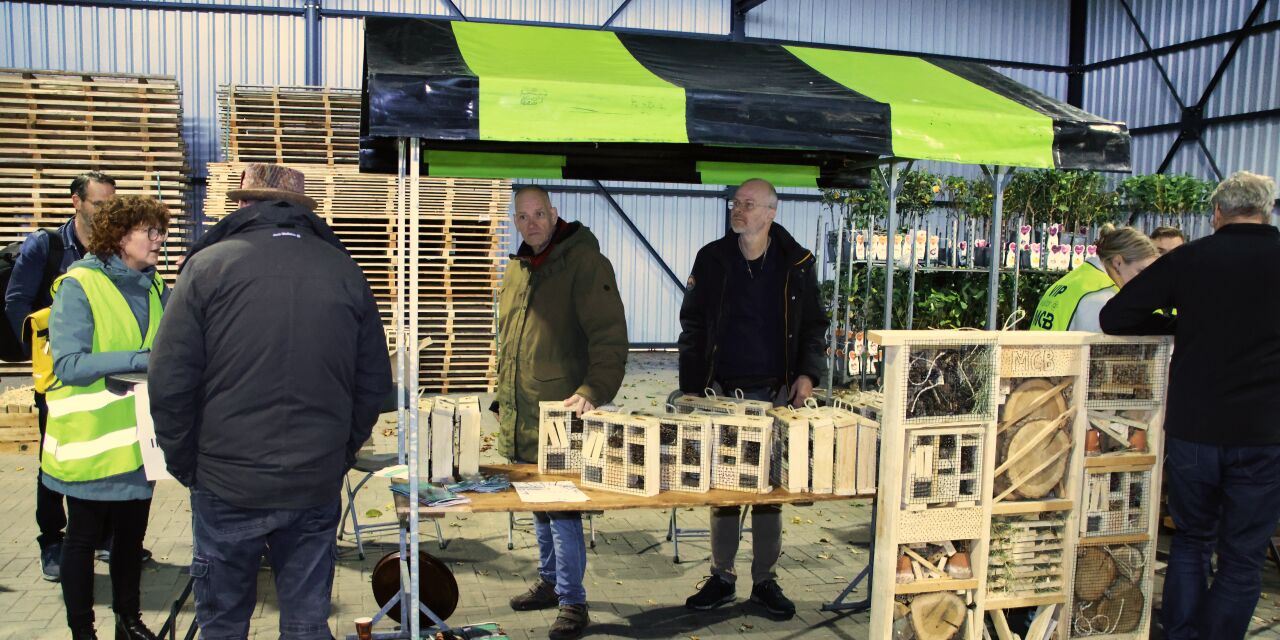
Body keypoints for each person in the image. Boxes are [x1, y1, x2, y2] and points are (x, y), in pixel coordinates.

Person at [149, 164, 392, 639]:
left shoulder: (207, 267)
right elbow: (372, 385)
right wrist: (339, 454)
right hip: (313, 482)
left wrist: (188, 464)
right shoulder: (344, 270)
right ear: (302, 212)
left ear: (242, 205)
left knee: (223, 623)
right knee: (306, 624)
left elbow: (170, 380)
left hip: (226, 480)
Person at [1100, 170, 1280, 640]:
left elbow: (1116, 315)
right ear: (1268, 210)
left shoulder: (1192, 258)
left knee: (1191, 543)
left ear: (1217, 214)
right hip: (1267, 431)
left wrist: (1180, 324)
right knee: (1242, 557)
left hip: (1195, 426)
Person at [677, 178, 828, 619]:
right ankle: (722, 577)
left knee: (768, 492)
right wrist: (692, 388)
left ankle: (765, 581)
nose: (738, 210)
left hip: (776, 392)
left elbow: (814, 325)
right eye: (735, 203)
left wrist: (808, 374)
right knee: (724, 491)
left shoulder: (796, 262)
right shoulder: (712, 259)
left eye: (748, 204)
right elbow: (693, 326)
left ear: (770, 213)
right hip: (721, 392)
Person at [496, 185, 627, 640]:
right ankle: (551, 582)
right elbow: (509, 341)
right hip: (523, 411)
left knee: (563, 509)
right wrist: (502, 398)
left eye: (538, 214)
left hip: (562, 412)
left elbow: (609, 335)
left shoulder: (584, 264)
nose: (531, 223)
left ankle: (574, 601)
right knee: (538, 504)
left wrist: (595, 389)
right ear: (515, 222)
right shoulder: (517, 269)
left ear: (554, 214)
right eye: (522, 217)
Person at [43, 194, 170, 640]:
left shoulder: (155, 286)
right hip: (92, 442)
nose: (159, 240)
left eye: (161, 232)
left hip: (140, 442)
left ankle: (128, 622)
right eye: (149, 232)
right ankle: (83, 631)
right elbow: (69, 364)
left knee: (131, 541)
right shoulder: (79, 284)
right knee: (82, 539)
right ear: (119, 237)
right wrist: (141, 360)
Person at [4, 172, 134, 582]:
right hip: (61, 379)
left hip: (105, 373)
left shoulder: (115, 247)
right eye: (99, 204)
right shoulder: (48, 246)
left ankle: (106, 537)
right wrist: (41, 359)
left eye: (111, 203)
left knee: (110, 452)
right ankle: (52, 541)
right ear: (76, 202)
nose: (106, 211)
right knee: (55, 459)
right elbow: (17, 302)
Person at [1029, 224, 1157, 332]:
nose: (1147, 281)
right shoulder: (1104, 297)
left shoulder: (1080, 278)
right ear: (1117, 262)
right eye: (1141, 272)